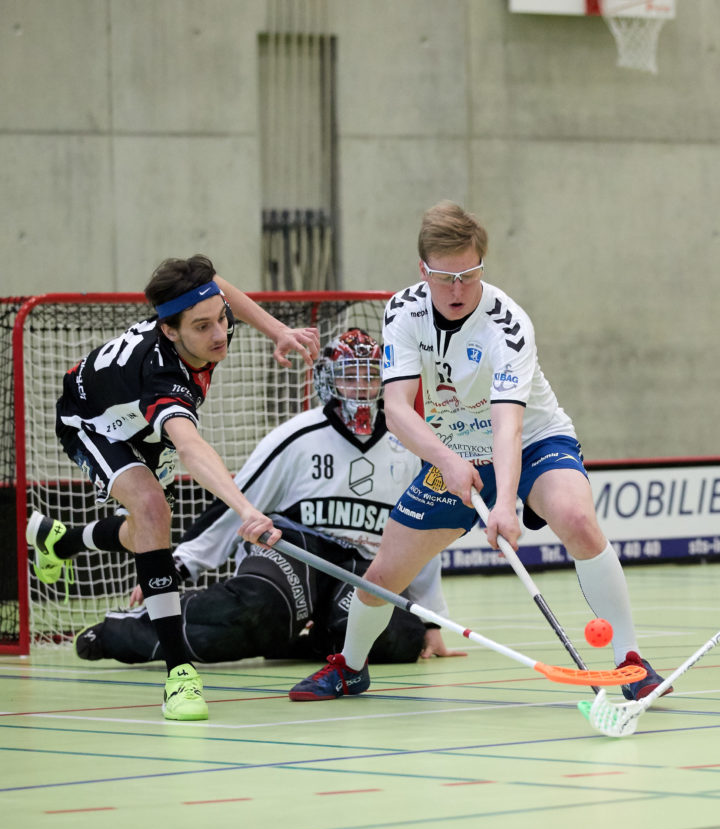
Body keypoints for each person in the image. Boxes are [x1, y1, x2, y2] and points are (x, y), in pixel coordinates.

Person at [289, 201, 668, 701]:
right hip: (453, 452)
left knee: (577, 519)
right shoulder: (403, 311)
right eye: (445, 277)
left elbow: (507, 425)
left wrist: (505, 504)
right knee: (384, 572)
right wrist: (447, 461)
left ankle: (630, 663)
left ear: (481, 265)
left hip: (533, 442)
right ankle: (350, 667)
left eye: (469, 275)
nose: (457, 289)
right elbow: (398, 410)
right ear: (423, 269)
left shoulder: (507, 325)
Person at [24, 255, 320, 721]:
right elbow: (190, 448)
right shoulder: (163, 372)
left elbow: (219, 285)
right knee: (152, 510)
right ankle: (180, 674)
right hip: (93, 422)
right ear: (170, 330)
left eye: (221, 319)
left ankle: (62, 540)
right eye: (203, 327)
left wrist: (278, 331)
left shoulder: (205, 314)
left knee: (146, 528)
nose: (220, 334)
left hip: (138, 417)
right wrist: (245, 510)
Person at [69, 329, 460, 668]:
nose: (361, 388)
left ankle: (299, 639)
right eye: (350, 378)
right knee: (257, 613)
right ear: (329, 381)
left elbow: (422, 534)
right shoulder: (297, 436)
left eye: (370, 378)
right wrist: (182, 562)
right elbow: (236, 498)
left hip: (363, 564)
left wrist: (431, 623)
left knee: (397, 639)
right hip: (295, 551)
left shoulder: (410, 446)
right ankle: (124, 631)